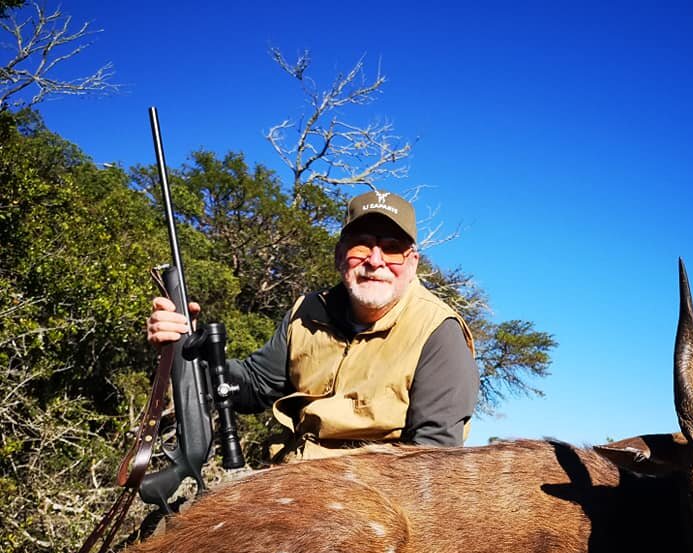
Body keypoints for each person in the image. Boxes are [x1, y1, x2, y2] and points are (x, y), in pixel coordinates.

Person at [147, 190, 480, 460]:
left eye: (392, 250)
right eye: (361, 246)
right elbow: (252, 387)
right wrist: (188, 350)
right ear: (339, 256)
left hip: (377, 500)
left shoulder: (439, 331)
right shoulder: (305, 312)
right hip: (288, 483)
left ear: (412, 263)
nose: (375, 262)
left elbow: (433, 458)